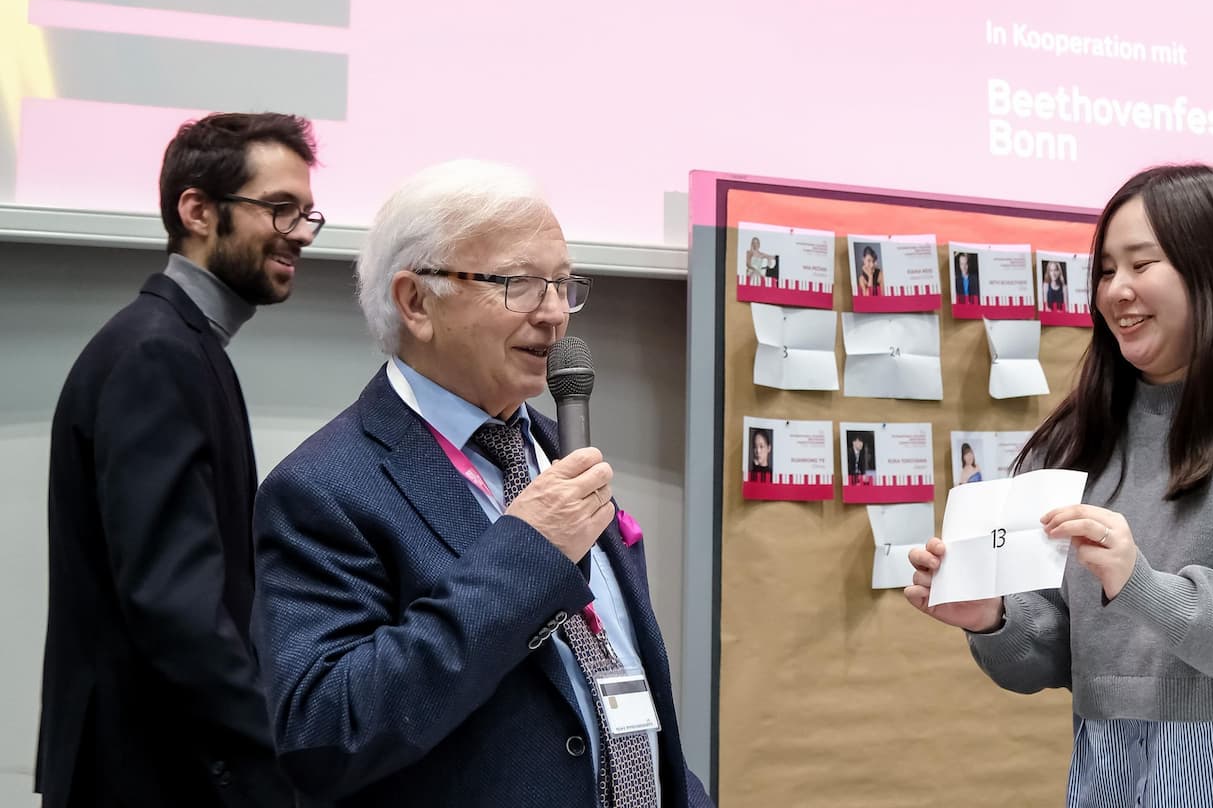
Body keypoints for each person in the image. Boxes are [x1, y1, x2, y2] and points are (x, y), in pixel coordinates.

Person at [905, 165, 1213, 807]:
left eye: (1141, 264)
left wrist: (1145, 588)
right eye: (1105, 271)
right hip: (1110, 772)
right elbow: (1062, 652)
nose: (1117, 291)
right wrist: (992, 620)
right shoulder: (1077, 436)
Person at [249, 160, 712, 807]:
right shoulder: (323, 489)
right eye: (520, 284)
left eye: (563, 283)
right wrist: (526, 554)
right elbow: (325, 734)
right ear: (416, 301)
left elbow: (623, 685)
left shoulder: (559, 449)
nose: (554, 315)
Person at [37, 112, 319, 808]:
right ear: (196, 209)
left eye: (307, 214)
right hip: (144, 775)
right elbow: (176, 606)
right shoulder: (158, 354)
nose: (299, 235)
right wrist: (273, 763)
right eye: (279, 209)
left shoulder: (180, 345)